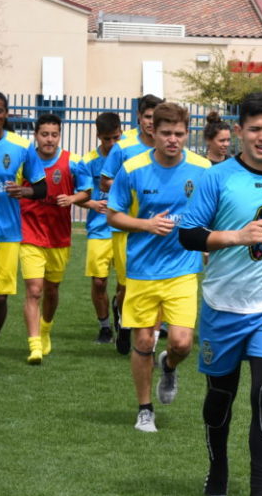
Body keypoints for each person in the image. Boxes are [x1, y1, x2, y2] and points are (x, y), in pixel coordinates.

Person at [179, 92, 262, 496]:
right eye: (255, 129)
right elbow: (188, 234)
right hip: (223, 306)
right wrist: (235, 236)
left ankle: (260, 490)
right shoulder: (217, 177)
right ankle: (218, 472)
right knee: (221, 397)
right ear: (239, 131)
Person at [107, 102, 211, 432]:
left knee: (181, 342)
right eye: (166, 133)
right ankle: (145, 409)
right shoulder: (134, 168)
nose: (172, 139)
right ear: (154, 132)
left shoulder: (203, 168)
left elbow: (214, 210)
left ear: (187, 133)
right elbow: (113, 215)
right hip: (142, 270)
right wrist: (145, 225)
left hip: (183, 268)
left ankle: (168, 365)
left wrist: (208, 241)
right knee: (143, 343)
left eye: (179, 133)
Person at [19, 114, 93, 364]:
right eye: (44, 134)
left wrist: (72, 199)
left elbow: (86, 191)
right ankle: (34, 345)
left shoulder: (72, 162)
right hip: (29, 234)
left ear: (59, 135)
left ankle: (46, 328)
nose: (49, 140)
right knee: (34, 290)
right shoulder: (24, 160)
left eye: (54, 134)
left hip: (58, 237)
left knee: (51, 291)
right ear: (36, 136)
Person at [101, 94, 164, 355]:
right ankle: (123, 321)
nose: (152, 122)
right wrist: (128, 188)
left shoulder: (169, 147)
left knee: (158, 282)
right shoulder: (124, 146)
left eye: (156, 117)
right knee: (127, 284)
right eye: (148, 116)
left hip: (159, 228)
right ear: (139, 117)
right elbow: (105, 180)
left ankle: (150, 336)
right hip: (126, 227)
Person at [0, 90, 48, 348]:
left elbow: (42, 187)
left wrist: (24, 190)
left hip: (7, 232)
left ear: (5, 114)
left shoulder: (20, 146)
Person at [81, 112, 123, 344]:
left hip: (125, 228)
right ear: (99, 137)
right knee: (99, 282)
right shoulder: (88, 161)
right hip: (99, 229)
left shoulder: (130, 157)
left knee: (125, 283)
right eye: (107, 139)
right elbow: (80, 196)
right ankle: (105, 326)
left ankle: (120, 310)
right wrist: (92, 203)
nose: (112, 144)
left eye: (116, 138)